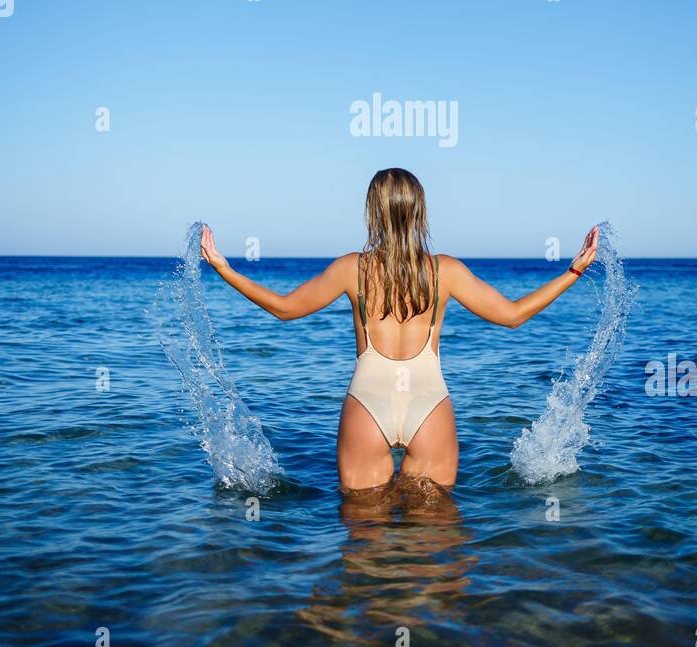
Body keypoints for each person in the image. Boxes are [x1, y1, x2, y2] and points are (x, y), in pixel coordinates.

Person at [201, 168, 598, 493]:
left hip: (367, 402)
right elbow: (512, 316)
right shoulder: (447, 271)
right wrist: (574, 271)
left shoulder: (350, 269)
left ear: (371, 213)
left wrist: (225, 269)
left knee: (363, 539)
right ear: (420, 213)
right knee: (435, 536)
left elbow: (284, 309)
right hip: (429, 402)